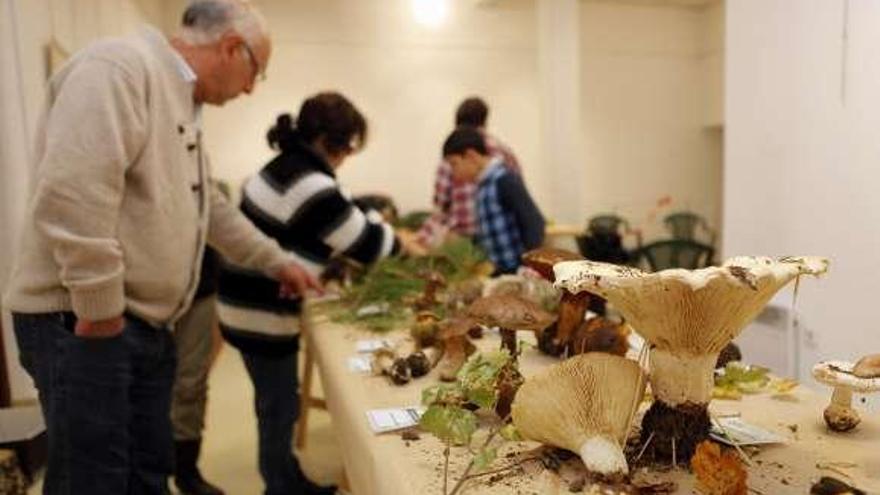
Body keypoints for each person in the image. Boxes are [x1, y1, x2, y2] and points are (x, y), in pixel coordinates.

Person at [3, 2, 321, 494]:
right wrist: (99, 304)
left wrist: (277, 262)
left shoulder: (180, 102)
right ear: (231, 47)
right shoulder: (120, 68)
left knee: (149, 470)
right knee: (95, 481)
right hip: (85, 322)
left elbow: (209, 208)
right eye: (255, 71)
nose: (251, 89)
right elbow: (73, 189)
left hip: (140, 324)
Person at [217, 92, 420, 495]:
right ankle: (281, 486)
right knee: (278, 406)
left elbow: (338, 215)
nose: (347, 157)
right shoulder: (311, 182)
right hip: (260, 311)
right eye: (348, 147)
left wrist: (373, 217)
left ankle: (286, 477)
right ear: (334, 143)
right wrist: (403, 244)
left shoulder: (286, 167)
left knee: (277, 401)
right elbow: (365, 244)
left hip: (243, 302)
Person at [418, 96, 522, 246]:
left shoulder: (454, 153)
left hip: (464, 241)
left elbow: (440, 206)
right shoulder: (505, 153)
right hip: (503, 238)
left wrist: (423, 236)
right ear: (485, 120)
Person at [442, 126, 545, 274]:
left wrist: (530, 265)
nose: (454, 172)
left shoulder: (504, 180)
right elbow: (489, 231)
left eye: (454, 164)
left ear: (471, 156)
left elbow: (534, 223)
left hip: (518, 269)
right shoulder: (481, 187)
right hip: (499, 270)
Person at [171, 246, 223, 495]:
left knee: (190, 383)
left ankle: (187, 471)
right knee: (140, 389)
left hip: (199, 284)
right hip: (137, 293)